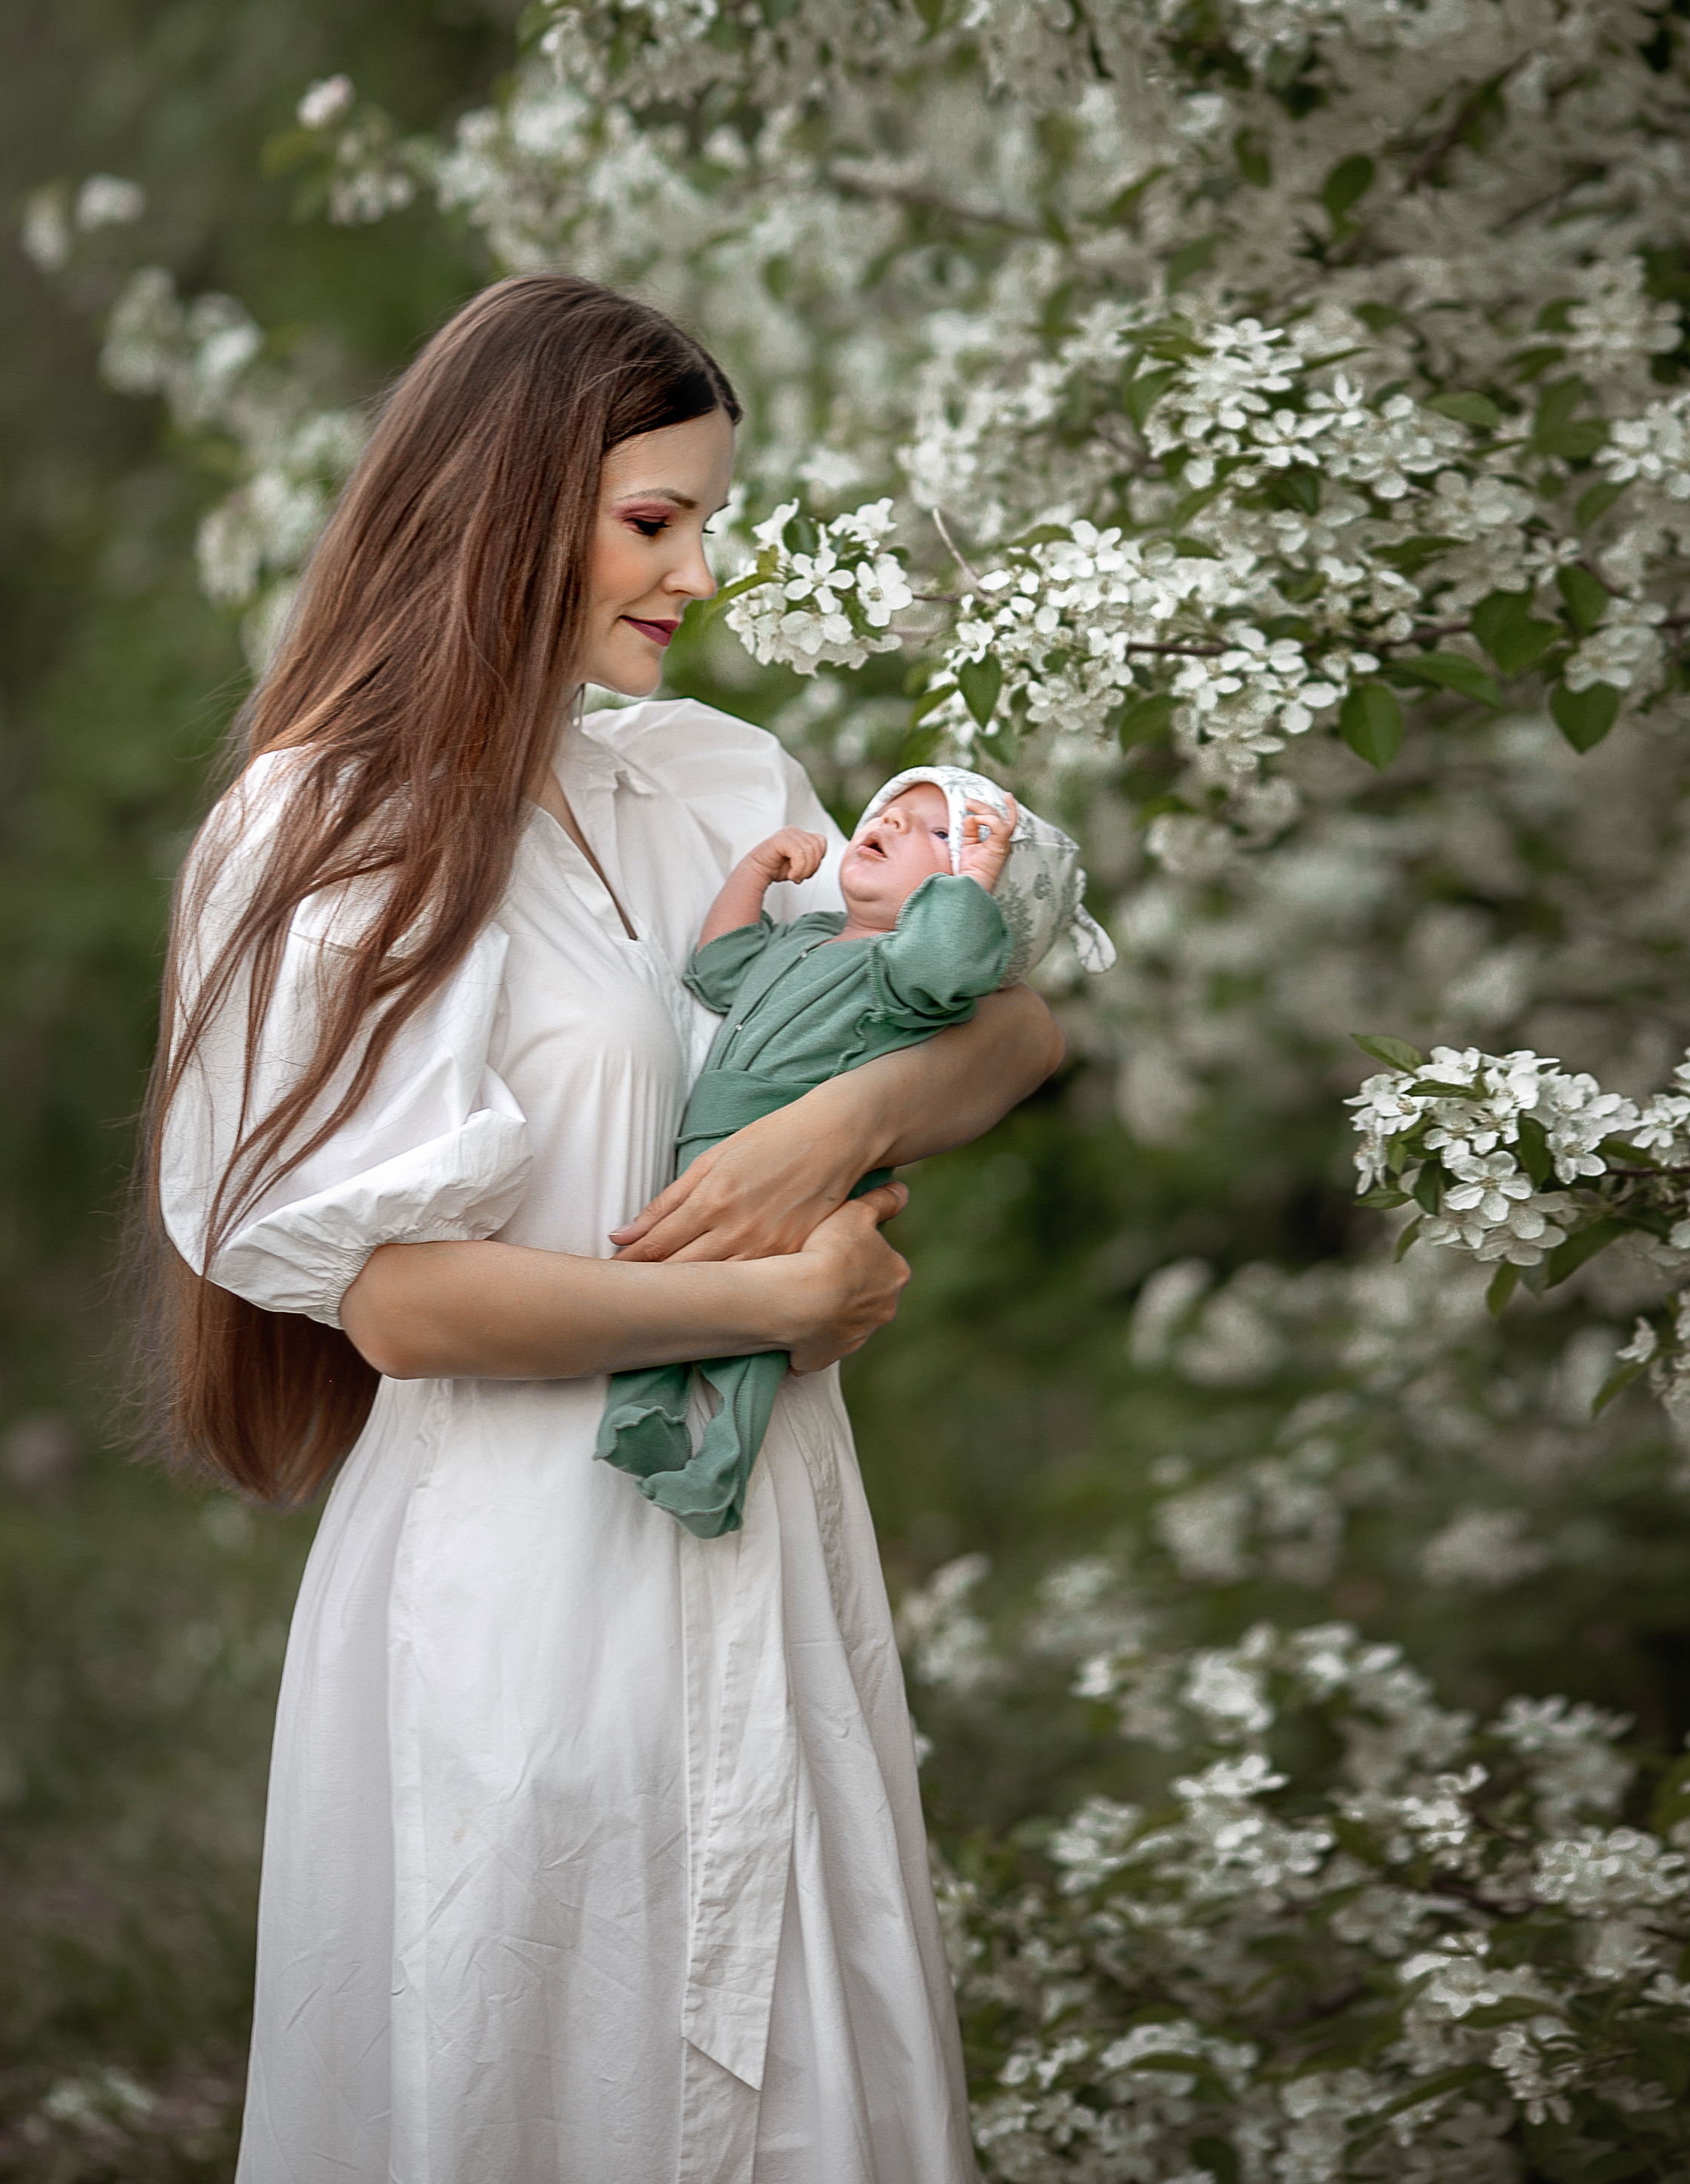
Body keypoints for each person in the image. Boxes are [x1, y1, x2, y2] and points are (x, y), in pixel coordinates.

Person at [147, 272, 1067, 2184]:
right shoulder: (323, 827)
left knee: (805, 2063)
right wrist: (773, 1283)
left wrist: (853, 1109)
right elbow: (398, 1304)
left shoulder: (714, 776)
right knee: (534, 2063)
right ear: (504, 509)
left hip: (768, 1525)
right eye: (655, 521)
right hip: (522, 1564)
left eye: (707, 522)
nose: (698, 572)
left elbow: (1015, 1023)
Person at [600, 774, 1113, 1538]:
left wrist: (974, 877)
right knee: (667, 1276)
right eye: (894, 811)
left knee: (747, 1326)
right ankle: (640, 1410)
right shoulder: (806, 937)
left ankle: (721, 1466)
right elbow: (717, 967)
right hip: (710, 1142)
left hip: (798, 1179)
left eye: (941, 833)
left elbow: (948, 959)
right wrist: (755, 873)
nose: (896, 819)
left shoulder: (909, 981)